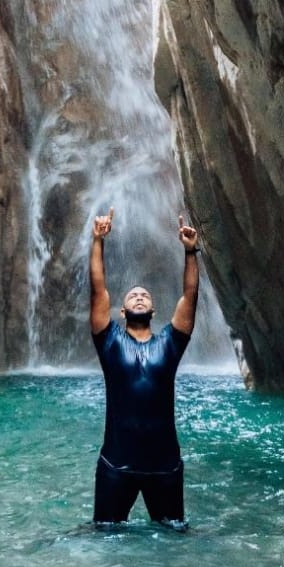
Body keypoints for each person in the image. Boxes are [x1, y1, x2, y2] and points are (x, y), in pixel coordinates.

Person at [88, 206, 200, 525]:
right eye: (133, 295)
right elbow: (98, 289)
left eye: (145, 296)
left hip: (164, 467)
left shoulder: (170, 344)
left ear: (153, 311)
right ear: (120, 312)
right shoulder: (108, 341)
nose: (139, 297)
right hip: (115, 465)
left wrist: (191, 252)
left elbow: (190, 297)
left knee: (175, 544)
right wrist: (98, 240)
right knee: (104, 540)